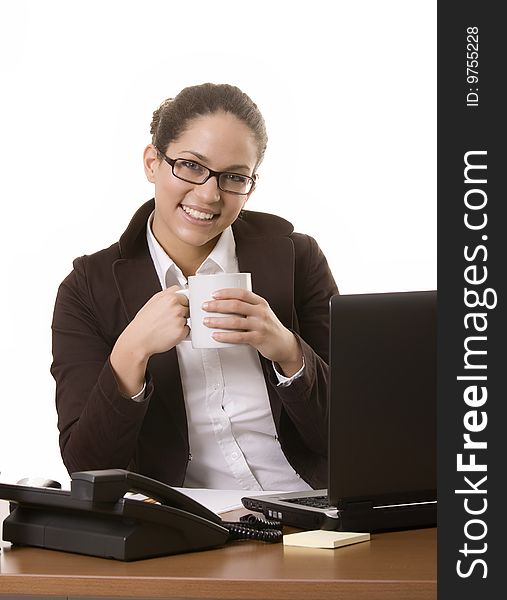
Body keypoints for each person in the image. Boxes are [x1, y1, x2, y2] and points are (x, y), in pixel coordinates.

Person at [51, 83, 338, 491]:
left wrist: (289, 353)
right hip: (188, 523)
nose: (208, 194)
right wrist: (131, 352)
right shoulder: (86, 288)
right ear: (153, 162)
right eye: (190, 165)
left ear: (251, 185)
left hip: (310, 506)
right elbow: (87, 468)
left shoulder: (298, 258)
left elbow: (351, 434)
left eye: (234, 177)